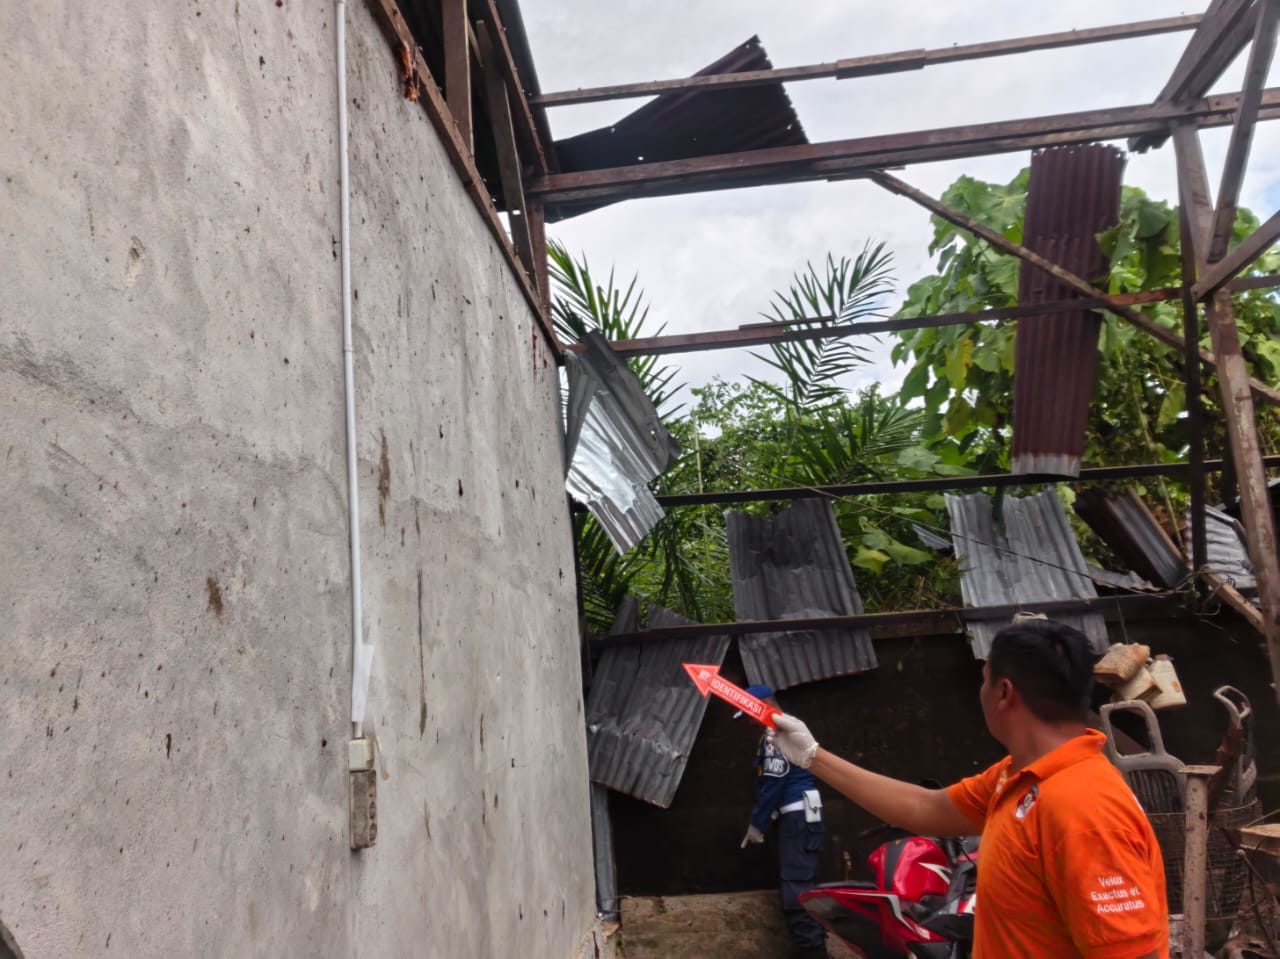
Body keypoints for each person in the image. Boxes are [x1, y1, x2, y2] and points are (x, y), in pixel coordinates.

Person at [769, 619, 1169, 959]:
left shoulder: (1082, 806)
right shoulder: (1017, 776)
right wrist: (812, 755)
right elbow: (924, 808)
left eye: (983, 680)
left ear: (1004, 693)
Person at [737, 684, 828, 959]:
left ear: (762, 706)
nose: (749, 722)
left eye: (749, 713)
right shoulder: (783, 731)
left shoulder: (775, 735)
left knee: (796, 897)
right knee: (802, 889)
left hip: (797, 816)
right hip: (800, 815)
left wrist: (758, 822)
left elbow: (774, 782)